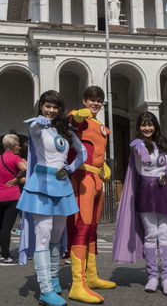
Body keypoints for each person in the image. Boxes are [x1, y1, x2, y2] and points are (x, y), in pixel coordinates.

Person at [17, 90, 87, 306]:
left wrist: (72, 166)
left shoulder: (65, 131)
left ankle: (55, 277)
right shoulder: (36, 126)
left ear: (59, 109)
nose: (50, 110)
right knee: (44, 234)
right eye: (47, 105)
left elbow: (82, 151)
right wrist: (38, 123)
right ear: (41, 106)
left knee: (57, 232)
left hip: (62, 183)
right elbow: (33, 129)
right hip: (42, 185)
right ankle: (45, 289)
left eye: (54, 106)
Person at [113, 111, 167, 296]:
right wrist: (141, 149)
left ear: (155, 126)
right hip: (146, 191)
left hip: (163, 191)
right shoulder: (137, 144)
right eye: (143, 125)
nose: (147, 128)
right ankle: (152, 276)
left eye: (150, 124)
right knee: (151, 234)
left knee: (164, 234)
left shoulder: (164, 144)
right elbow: (142, 155)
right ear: (139, 127)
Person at [66, 85, 115, 304]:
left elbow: (96, 150)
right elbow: (73, 120)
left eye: (99, 101)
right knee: (82, 226)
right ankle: (78, 284)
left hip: (96, 179)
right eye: (92, 100)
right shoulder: (80, 118)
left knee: (93, 228)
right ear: (84, 100)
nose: (95, 103)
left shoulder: (99, 125)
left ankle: (91, 276)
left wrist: (102, 167)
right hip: (82, 178)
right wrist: (78, 114)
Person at [0, 133, 26, 265]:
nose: (20, 147)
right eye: (18, 144)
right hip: (11, 195)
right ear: (13, 146)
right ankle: (5, 256)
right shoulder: (15, 158)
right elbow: (24, 167)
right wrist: (16, 179)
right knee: (7, 227)